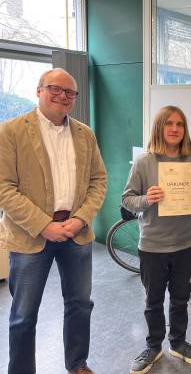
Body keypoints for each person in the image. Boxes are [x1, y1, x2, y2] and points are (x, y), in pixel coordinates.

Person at [0, 68, 107, 374]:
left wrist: (81, 218)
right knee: (23, 315)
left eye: (70, 92)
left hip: (76, 233)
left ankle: (77, 364)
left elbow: (98, 181)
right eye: (55, 89)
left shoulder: (85, 134)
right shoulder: (11, 131)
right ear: (39, 90)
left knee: (80, 305)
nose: (63, 96)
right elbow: (4, 187)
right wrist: (44, 225)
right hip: (30, 236)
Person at [122, 105, 191, 374]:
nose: (174, 129)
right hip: (153, 246)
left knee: (180, 299)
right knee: (153, 301)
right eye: (169, 124)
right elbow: (127, 200)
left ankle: (178, 343)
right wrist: (147, 199)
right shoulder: (144, 162)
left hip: (185, 244)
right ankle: (153, 347)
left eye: (179, 124)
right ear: (159, 128)